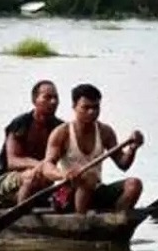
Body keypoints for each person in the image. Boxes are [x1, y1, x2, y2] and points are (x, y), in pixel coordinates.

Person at [41, 83, 144, 214]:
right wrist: (64, 174)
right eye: (86, 107)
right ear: (74, 106)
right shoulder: (62, 133)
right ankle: (80, 220)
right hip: (63, 196)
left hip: (94, 190)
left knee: (134, 185)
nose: (92, 112)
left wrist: (132, 149)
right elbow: (47, 167)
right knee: (88, 177)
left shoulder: (105, 132)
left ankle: (115, 221)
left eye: (96, 107)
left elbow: (123, 164)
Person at [0, 80, 64, 206]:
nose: (53, 102)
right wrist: (40, 165)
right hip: (9, 178)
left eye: (55, 97)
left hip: (45, 177)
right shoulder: (21, 124)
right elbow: (12, 161)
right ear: (35, 100)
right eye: (47, 97)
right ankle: (20, 216)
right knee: (31, 177)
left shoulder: (61, 128)